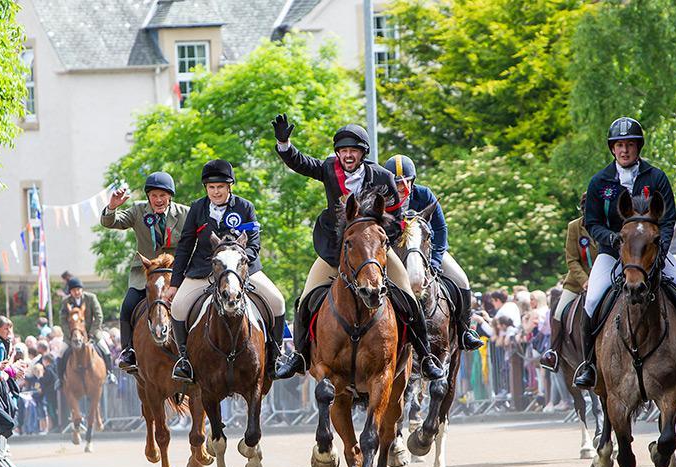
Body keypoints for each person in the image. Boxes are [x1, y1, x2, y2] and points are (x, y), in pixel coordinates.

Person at [270, 114, 446, 380]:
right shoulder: (329, 169)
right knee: (306, 300)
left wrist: (375, 241)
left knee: (409, 297)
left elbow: (398, 218)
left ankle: (425, 355)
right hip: (335, 251)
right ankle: (299, 355)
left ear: (363, 153)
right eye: (343, 151)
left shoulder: (383, 177)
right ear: (337, 153)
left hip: (374, 253)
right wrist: (284, 143)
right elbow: (301, 163)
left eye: (353, 150)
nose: (348, 155)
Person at [572, 118, 676, 390]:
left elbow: (668, 219)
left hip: (652, 254)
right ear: (612, 149)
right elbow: (592, 222)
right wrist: (613, 240)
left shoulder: (656, 177)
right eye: (620, 145)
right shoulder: (600, 182)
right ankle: (589, 365)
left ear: (638, 147)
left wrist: (660, 251)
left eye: (630, 145)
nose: (624, 150)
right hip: (613, 255)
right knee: (590, 303)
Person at [164, 159, 286, 383]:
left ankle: (275, 358)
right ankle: (185, 362)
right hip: (204, 269)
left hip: (239, 270)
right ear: (206, 188)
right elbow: (185, 246)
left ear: (229, 187)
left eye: (220, 187)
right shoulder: (197, 208)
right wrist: (174, 283)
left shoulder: (245, 207)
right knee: (179, 307)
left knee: (277, 301)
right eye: (211, 187)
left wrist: (236, 263)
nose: (216, 191)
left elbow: (254, 244)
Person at [382, 154, 483, 351]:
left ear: (413, 181)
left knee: (462, 279)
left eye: (406, 182)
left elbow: (440, 229)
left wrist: (435, 261)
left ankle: (464, 331)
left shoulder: (424, 195)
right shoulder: (384, 200)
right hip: (394, 252)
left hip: (425, 250)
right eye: (397, 184)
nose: (403, 188)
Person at [100, 172, 190, 371]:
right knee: (128, 305)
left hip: (174, 274)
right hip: (146, 273)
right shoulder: (138, 210)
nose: (158, 200)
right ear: (148, 197)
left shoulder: (184, 213)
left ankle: (192, 351)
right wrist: (113, 206)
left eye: (163, 196)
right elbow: (110, 222)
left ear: (170, 196)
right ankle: (128, 351)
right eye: (154, 195)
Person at [540, 193, 596, 371]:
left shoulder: (608, 226)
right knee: (558, 311)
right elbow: (571, 259)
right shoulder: (574, 227)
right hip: (577, 282)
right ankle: (553, 352)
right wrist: (585, 281)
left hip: (604, 280)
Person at [57, 278, 111, 383]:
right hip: (72, 335)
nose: (76, 292)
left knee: (105, 349)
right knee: (61, 353)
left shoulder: (91, 298)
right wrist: (70, 334)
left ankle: (110, 373)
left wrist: (92, 332)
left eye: (78, 289)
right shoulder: (66, 301)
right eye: (74, 290)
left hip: (91, 332)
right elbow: (63, 320)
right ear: (70, 292)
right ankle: (60, 379)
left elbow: (99, 316)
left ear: (82, 289)